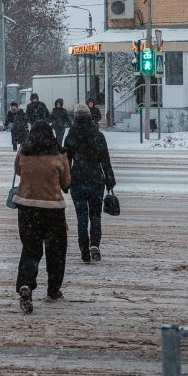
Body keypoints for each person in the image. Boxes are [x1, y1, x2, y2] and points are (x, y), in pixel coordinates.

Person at [13, 120, 71, 312]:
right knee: (56, 252)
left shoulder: (23, 152)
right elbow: (66, 183)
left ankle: (26, 283)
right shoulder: (59, 155)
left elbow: (18, 171)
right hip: (53, 209)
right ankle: (53, 290)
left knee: (30, 249)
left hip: (27, 208)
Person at [64, 104, 115, 264]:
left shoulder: (71, 134)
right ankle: (95, 244)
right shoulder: (97, 135)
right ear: (89, 117)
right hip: (95, 179)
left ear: (76, 117)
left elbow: (66, 161)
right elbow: (105, 159)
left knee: (82, 218)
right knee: (95, 216)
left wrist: (65, 182)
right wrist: (109, 179)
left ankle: (84, 251)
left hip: (77, 179)